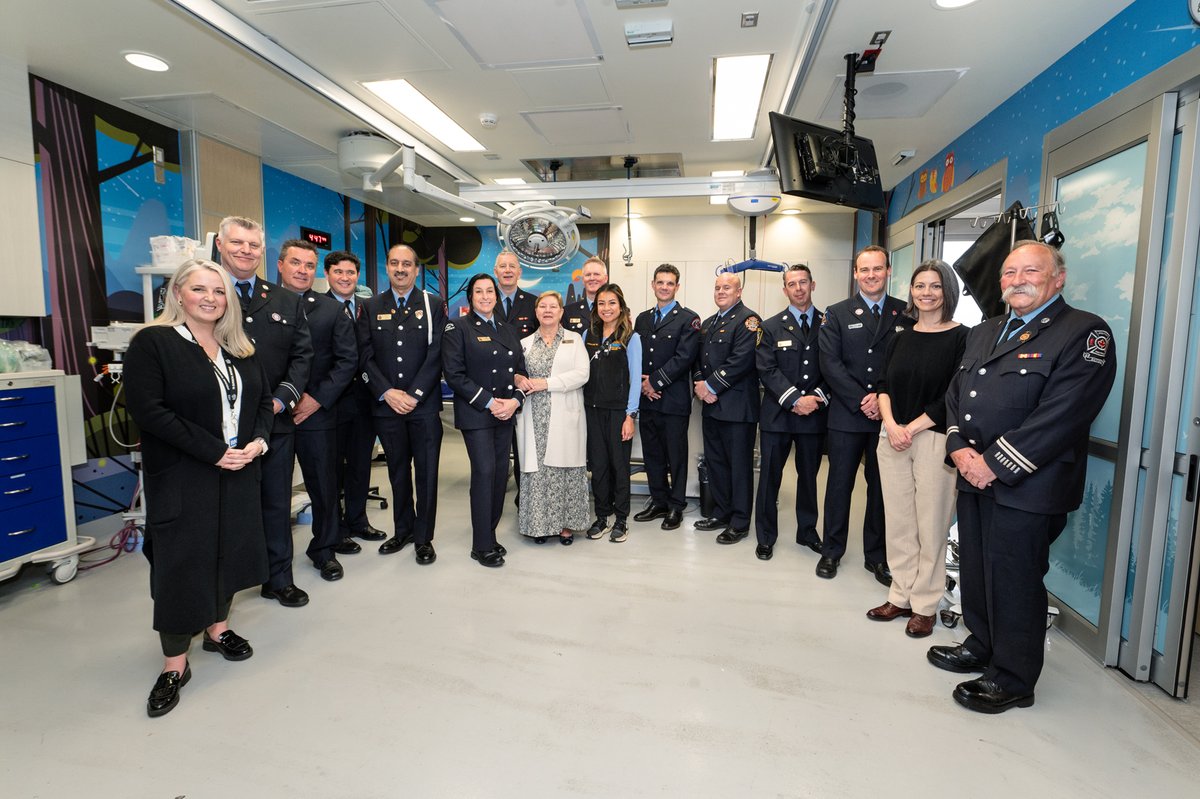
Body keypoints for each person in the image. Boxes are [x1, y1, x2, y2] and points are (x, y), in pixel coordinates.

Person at [929, 241, 1116, 714]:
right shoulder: (985, 331)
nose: (1017, 280)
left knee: (1014, 576)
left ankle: (1013, 678)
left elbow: (1064, 414)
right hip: (973, 475)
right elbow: (956, 396)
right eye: (1009, 273)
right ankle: (983, 645)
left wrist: (994, 463)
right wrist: (959, 448)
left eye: (1030, 271)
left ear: (1058, 278)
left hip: (1030, 484)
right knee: (976, 565)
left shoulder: (1084, 333)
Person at [123, 259, 272, 717]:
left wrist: (259, 441)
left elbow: (264, 401)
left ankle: (217, 629)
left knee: (229, 549)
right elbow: (150, 412)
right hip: (186, 475)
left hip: (239, 469)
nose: (210, 298)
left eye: (220, 291)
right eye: (200, 289)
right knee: (181, 564)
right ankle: (174, 664)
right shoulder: (154, 343)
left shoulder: (239, 350)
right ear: (178, 293)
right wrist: (213, 451)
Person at [215, 216, 313, 607]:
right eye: (237, 243)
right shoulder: (206, 294)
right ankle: (222, 588)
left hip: (274, 421)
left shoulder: (285, 300)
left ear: (263, 252)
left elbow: (302, 356)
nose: (245, 251)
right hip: (218, 427)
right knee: (223, 509)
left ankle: (278, 578)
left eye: (253, 245)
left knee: (276, 502)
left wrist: (281, 399)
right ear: (220, 245)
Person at [869, 260, 968, 637]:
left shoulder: (963, 337)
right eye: (919, 286)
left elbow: (954, 396)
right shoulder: (901, 335)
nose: (926, 293)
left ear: (947, 292)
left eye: (935, 286)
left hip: (934, 438)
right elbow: (883, 384)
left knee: (931, 523)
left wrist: (910, 427)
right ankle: (900, 594)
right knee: (899, 522)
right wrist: (891, 425)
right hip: (892, 435)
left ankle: (925, 603)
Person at [817, 245, 912, 582]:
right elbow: (829, 363)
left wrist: (882, 401)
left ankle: (877, 556)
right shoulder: (837, 313)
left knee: (881, 488)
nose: (871, 275)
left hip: (890, 418)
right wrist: (863, 399)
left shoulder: (907, 314)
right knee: (839, 485)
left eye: (877, 269)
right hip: (847, 414)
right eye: (864, 270)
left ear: (888, 271)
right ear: (855, 274)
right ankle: (831, 551)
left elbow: (909, 367)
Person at [358, 244, 446, 565]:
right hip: (387, 407)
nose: (400, 268)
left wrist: (415, 393)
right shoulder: (370, 307)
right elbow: (364, 356)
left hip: (422, 408)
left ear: (416, 269)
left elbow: (437, 354)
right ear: (387, 267)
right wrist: (387, 392)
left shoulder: (433, 304)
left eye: (407, 264)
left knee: (426, 474)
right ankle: (403, 529)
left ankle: (424, 538)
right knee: (396, 472)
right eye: (394, 263)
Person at [277, 240, 357, 581]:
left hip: (318, 412)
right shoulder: (263, 304)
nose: (302, 270)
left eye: (308, 265)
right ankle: (274, 564)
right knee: (274, 491)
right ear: (280, 265)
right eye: (295, 263)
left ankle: (323, 549)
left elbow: (347, 360)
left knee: (323, 485)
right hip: (274, 413)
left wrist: (316, 400)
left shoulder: (330, 310)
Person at [442, 273, 528, 567]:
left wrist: (515, 400)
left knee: (499, 474)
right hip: (477, 414)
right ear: (471, 297)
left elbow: (521, 371)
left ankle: (489, 534)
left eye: (489, 291)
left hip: (505, 414)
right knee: (484, 473)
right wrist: (491, 403)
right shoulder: (458, 328)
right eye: (478, 292)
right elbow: (454, 375)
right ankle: (481, 545)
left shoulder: (507, 330)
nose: (485, 296)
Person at [754, 264, 829, 561]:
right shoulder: (770, 326)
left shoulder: (829, 323)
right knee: (769, 479)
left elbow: (835, 366)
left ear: (812, 285)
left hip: (814, 414)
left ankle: (807, 532)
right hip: (777, 416)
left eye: (803, 282)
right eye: (792, 284)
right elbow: (766, 370)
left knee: (809, 478)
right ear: (784, 289)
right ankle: (766, 536)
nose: (798, 288)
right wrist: (796, 400)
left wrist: (817, 398)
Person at [514, 291, 590, 544]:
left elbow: (582, 374)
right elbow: (515, 373)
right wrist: (517, 378)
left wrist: (546, 383)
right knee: (538, 473)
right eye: (542, 306)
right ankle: (539, 525)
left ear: (561, 312)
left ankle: (566, 526)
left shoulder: (574, 339)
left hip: (565, 414)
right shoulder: (524, 343)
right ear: (536, 312)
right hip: (533, 416)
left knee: (564, 469)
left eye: (553, 306)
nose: (547, 310)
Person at [324, 250, 386, 552]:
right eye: (339, 272)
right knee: (333, 468)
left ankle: (358, 520)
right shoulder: (317, 307)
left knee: (361, 464)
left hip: (364, 401)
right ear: (328, 275)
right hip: (331, 403)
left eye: (350, 273)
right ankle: (335, 529)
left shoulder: (368, 307)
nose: (345, 278)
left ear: (357, 276)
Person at [692, 272, 761, 544]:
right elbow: (697, 360)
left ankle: (740, 521)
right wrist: (699, 383)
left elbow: (741, 360)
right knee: (717, 462)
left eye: (727, 288)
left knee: (739, 467)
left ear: (739, 291)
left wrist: (709, 387)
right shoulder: (709, 324)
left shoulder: (749, 321)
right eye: (718, 287)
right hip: (711, 407)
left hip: (737, 409)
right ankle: (721, 512)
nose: (721, 291)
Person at [632, 263, 701, 531]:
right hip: (647, 399)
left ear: (677, 287)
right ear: (653, 285)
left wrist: (654, 381)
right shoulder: (642, 319)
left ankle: (676, 505)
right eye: (660, 282)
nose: (664, 287)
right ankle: (658, 500)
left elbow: (684, 358)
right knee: (652, 454)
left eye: (669, 283)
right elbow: (637, 355)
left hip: (672, 400)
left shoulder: (688, 318)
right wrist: (642, 383)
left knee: (676, 455)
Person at [582, 283, 642, 543]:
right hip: (592, 411)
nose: (606, 308)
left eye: (611, 303)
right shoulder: (589, 333)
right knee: (598, 466)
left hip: (619, 413)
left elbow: (636, 380)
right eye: (601, 303)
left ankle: (621, 520)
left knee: (619, 467)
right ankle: (602, 517)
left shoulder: (631, 337)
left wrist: (630, 415)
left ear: (621, 306)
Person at [494, 248, 537, 505]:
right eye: (503, 266)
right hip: (494, 388)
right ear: (496, 272)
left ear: (519, 272)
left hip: (524, 388)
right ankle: (494, 502)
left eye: (512, 266)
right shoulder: (485, 302)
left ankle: (527, 502)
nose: (508, 270)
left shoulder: (533, 303)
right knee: (497, 454)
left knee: (525, 450)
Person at [563, 256, 608, 334]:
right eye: (588, 275)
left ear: (605, 278)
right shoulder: (568, 312)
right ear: (583, 280)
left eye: (596, 274)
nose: (592, 278)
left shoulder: (617, 311)